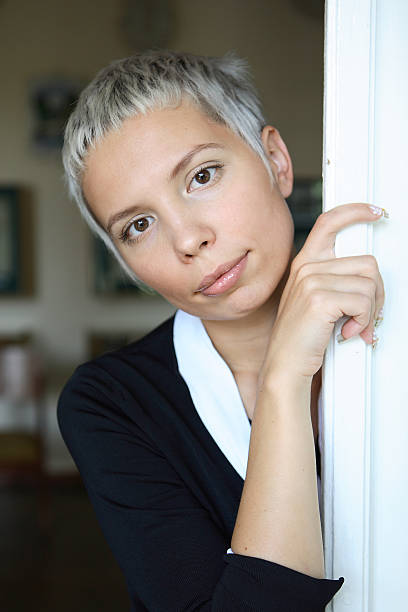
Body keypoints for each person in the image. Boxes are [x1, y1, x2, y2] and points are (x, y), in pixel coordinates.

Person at [57, 50, 386, 611]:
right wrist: (284, 377)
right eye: (139, 225)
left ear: (276, 161)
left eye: (201, 176)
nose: (187, 238)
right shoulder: (111, 404)